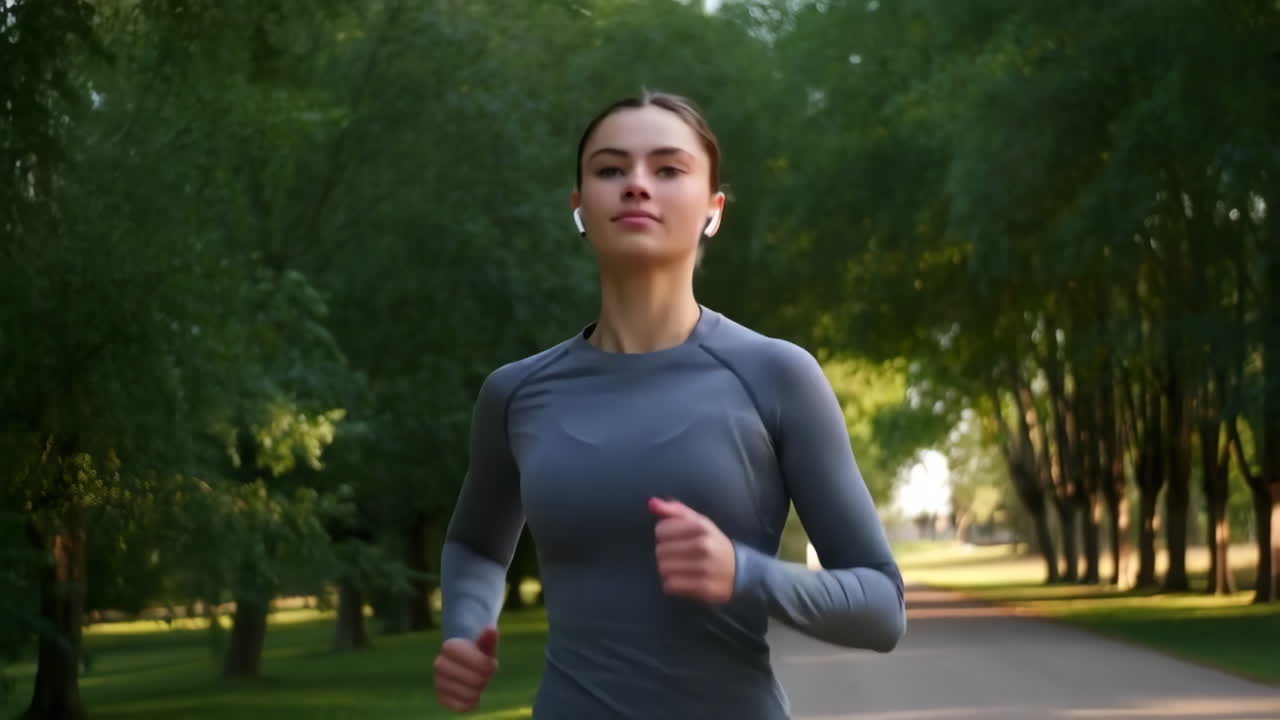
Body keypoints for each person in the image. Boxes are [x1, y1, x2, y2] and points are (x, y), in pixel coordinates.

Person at [432, 91, 906, 719]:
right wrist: (466, 631)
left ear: (714, 211)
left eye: (667, 169)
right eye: (609, 169)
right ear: (579, 207)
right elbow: (475, 546)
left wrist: (746, 573)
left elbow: (881, 608)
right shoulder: (515, 393)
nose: (635, 185)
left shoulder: (777, 376)